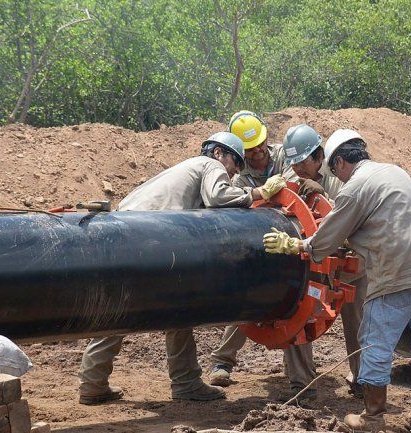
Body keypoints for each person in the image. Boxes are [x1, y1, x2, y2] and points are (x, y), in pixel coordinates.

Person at [263, 129, 411, 432]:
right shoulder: (395, 172)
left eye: (334, 169)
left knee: (375, 344)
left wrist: (296, 244)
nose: (335, 176)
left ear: (340, 162)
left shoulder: (355, 187)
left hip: (396, 276)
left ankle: (372, 418)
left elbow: (327, 239)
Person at [78, 131, 287, 405]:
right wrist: (258, 192)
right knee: (179, 308)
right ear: (218, 153)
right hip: (153, 238)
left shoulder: (179, 171)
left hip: (123, 234)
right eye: (235, 163)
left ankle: (92, 383)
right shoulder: (209, 164)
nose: (235, 172)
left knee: (122, 308)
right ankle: (186, 383)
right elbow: (218, 197)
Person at [209, 112, 316, 403]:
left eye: (260, 146)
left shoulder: (284, 156)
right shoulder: (238, 172)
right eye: (250, 150)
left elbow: (299, 187)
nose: (257, 153)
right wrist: (257, 193)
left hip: (293, 236)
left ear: (267, 138)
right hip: (257, 240)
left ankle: (300, 379)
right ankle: (222, 362)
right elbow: (233, 202)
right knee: (249, 300)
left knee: (296, 302)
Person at [281, 124, 367, 398]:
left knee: (359, 323)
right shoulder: (290, 179)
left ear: (319, 156)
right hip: (309, 262)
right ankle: (302, 386)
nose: (297, 169)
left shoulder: (342, 176)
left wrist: (324, 196)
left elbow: (352, 219)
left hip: (348, 264)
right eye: (293, 163)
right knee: (295, 315)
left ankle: (364, 381)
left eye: (302, 162)